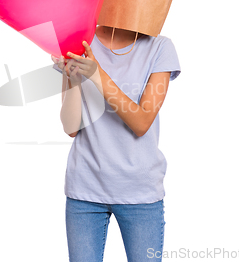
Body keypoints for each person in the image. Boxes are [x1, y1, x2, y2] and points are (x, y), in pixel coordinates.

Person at [51, 23, 181, 262]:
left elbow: (141, 122)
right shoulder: (80, 41)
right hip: (85, 190)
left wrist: (97, 74)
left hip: (140, 193)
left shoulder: (160, 47)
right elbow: (70, 128)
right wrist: (74, 79)